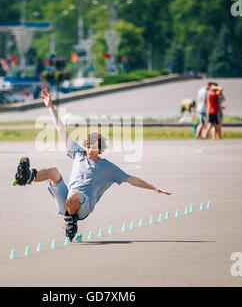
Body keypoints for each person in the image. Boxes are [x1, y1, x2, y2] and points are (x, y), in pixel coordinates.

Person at [12, 86, 172, 241]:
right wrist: (50, 106)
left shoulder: (108, 168)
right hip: (67, 201)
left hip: (83, 207)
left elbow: (131, 179)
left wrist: (154, 188)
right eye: (88, 146)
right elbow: (61, 129)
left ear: (100, 148)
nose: (89, 150)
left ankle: (71, 221)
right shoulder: (78, 153)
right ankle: (27, 178)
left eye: (93, 147)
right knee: (53, 171)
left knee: (74, 194)